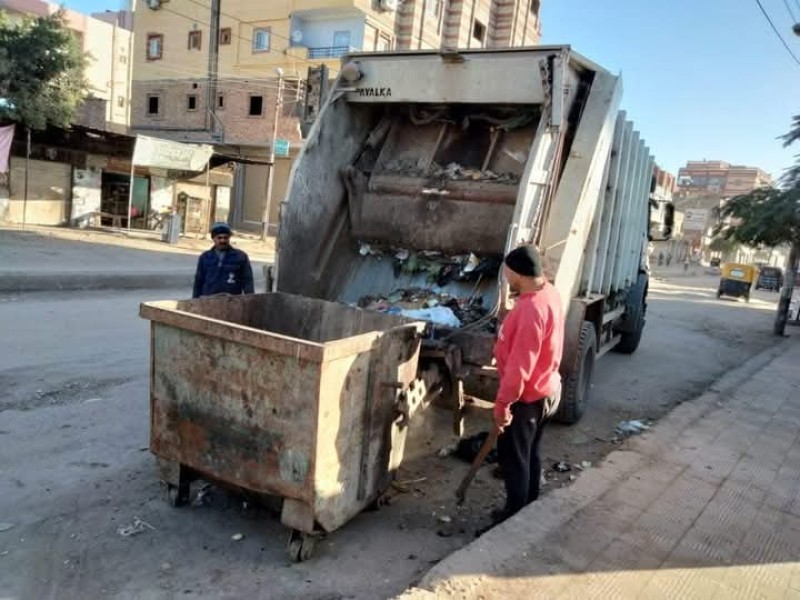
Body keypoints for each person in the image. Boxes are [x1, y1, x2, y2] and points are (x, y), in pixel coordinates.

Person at [491, 245, 564, 524]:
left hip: (528, 398)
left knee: (515, 458)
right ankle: (530, 505)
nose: (506, 277)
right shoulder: (549, 292)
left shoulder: (530, 310)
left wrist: (502, 405)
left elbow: (520, 367)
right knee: (530, 453)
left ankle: (513, 516)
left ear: (519, 274)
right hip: (547, 390)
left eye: (508, 272)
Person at [192, 222, 255, 298]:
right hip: (209, 301)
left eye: (225, 238)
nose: (222, 241)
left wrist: (250, 300)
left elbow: (247, 281)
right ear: (213, 238)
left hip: (232, 302)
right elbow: (198, 282)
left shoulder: (240, 257)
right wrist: (195, 302)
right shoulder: (205, 257)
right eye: (219, 238)